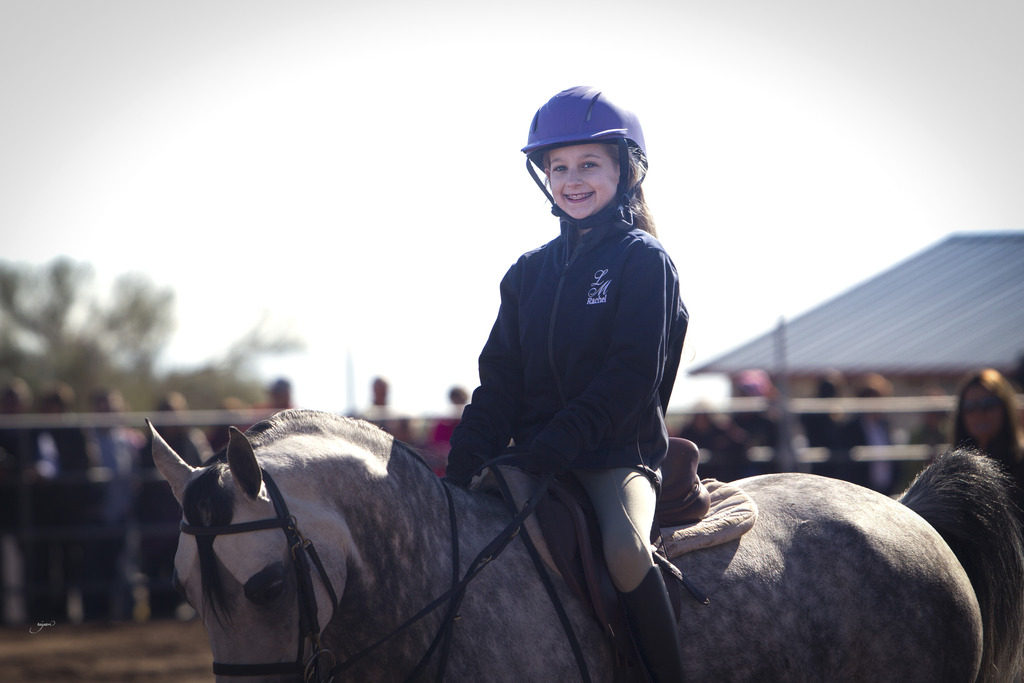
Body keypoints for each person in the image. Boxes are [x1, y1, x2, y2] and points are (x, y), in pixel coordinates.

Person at [446, 86, 688, 681]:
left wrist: (560, 440)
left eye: (589, 165)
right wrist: (465, 456)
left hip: (613, 456)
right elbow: (499, 380)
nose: (573, 179)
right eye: (560, 168)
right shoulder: (526, 273)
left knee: (627, 556)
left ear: (625, 172)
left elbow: (631, 377)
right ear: (544, 177)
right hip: (531, 456)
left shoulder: (644, 261)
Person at [950, 368, 1024, 511]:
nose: (979, 414)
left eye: (988, 405)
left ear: (1005, 407)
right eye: (970, 407)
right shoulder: (955, 470)